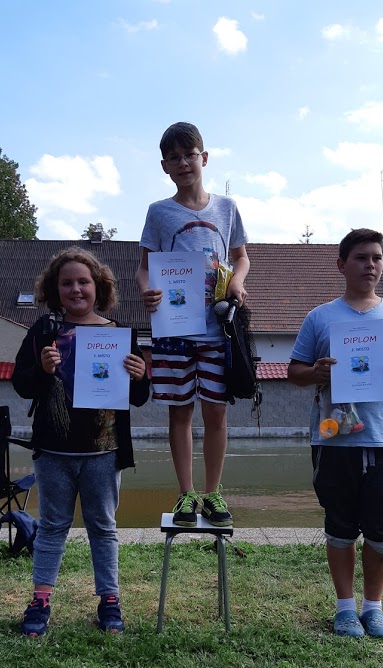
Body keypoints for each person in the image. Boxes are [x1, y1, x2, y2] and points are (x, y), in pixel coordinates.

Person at [288, 228, 383, 638]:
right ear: (342, 265)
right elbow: (294, 371)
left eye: (377, 258)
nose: (371, 265)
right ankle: (345, 609)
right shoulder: (320, 317)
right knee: (340, 526)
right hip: (334, 439)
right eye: (362, 258)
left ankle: (374, 608)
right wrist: (316, 372)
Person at [12, 247, 149, 637]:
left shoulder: (119, 333)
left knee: (103, 527)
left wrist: (140, 375)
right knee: (52, 526)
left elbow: (139, 397)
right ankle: (40, 600)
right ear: (55, 289)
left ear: (98, 286)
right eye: (67, 282)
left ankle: (110, 600)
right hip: (54, 451)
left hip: (103, 451)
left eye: (83, 282)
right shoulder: (43, 330)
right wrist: (42, 370)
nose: (75, 289)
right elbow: (22, 384)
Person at [136, 121, 249, 527]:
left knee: (216, 413)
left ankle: (213, 492)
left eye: (190, 154)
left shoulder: (227, 207)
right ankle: (186, 493)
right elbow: (144, 269)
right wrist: (147, 292)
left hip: (217, 330)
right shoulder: (159, 212)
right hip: (173, 329)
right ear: (164, 166)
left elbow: (241, 257)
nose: (183, 163)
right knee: (179, 413)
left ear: (205, 158)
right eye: (174, 157)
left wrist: (237, 281)